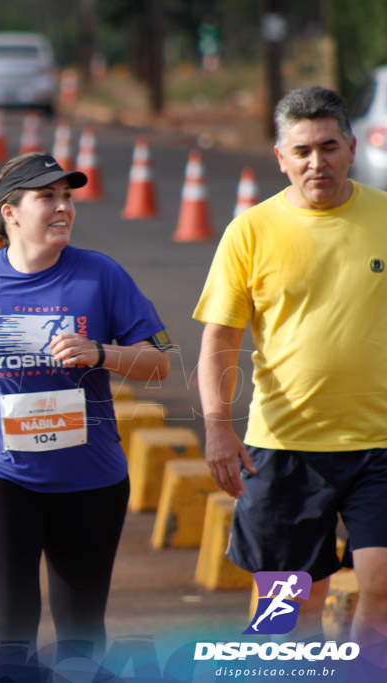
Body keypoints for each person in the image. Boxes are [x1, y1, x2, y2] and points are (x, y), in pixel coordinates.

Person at [0, 152, 171, 664]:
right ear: (8, 212)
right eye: (46, 197)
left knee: (80, 628)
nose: (62, 208)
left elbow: (159, 364)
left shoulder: (100, 275)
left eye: (67, 197)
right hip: (1, 477)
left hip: (91, 479)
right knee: (11, 628)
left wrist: (101, 352)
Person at [194, 86, 387, 651]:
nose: (316, 162)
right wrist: (216, 426)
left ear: (352, 149)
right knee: (287, 604)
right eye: (301, 150)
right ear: (280, 158)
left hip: (379, 444)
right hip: (284, 448)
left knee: (381, 583)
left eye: (328, 146)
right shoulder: (250, 232)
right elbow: (220, 341)